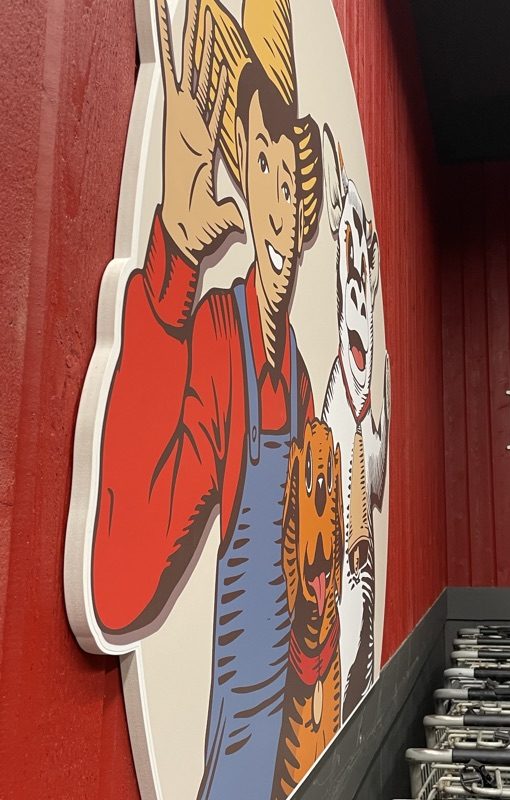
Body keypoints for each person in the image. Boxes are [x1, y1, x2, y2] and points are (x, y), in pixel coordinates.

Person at [90, 1, 322, 797]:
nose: (280, 187)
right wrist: (176, 262)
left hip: (299, 743)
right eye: (258, 160)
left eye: (289, 166)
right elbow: (120, 590)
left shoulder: (297, 372)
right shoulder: (219, 337)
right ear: (252, 189)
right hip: (237, 758)